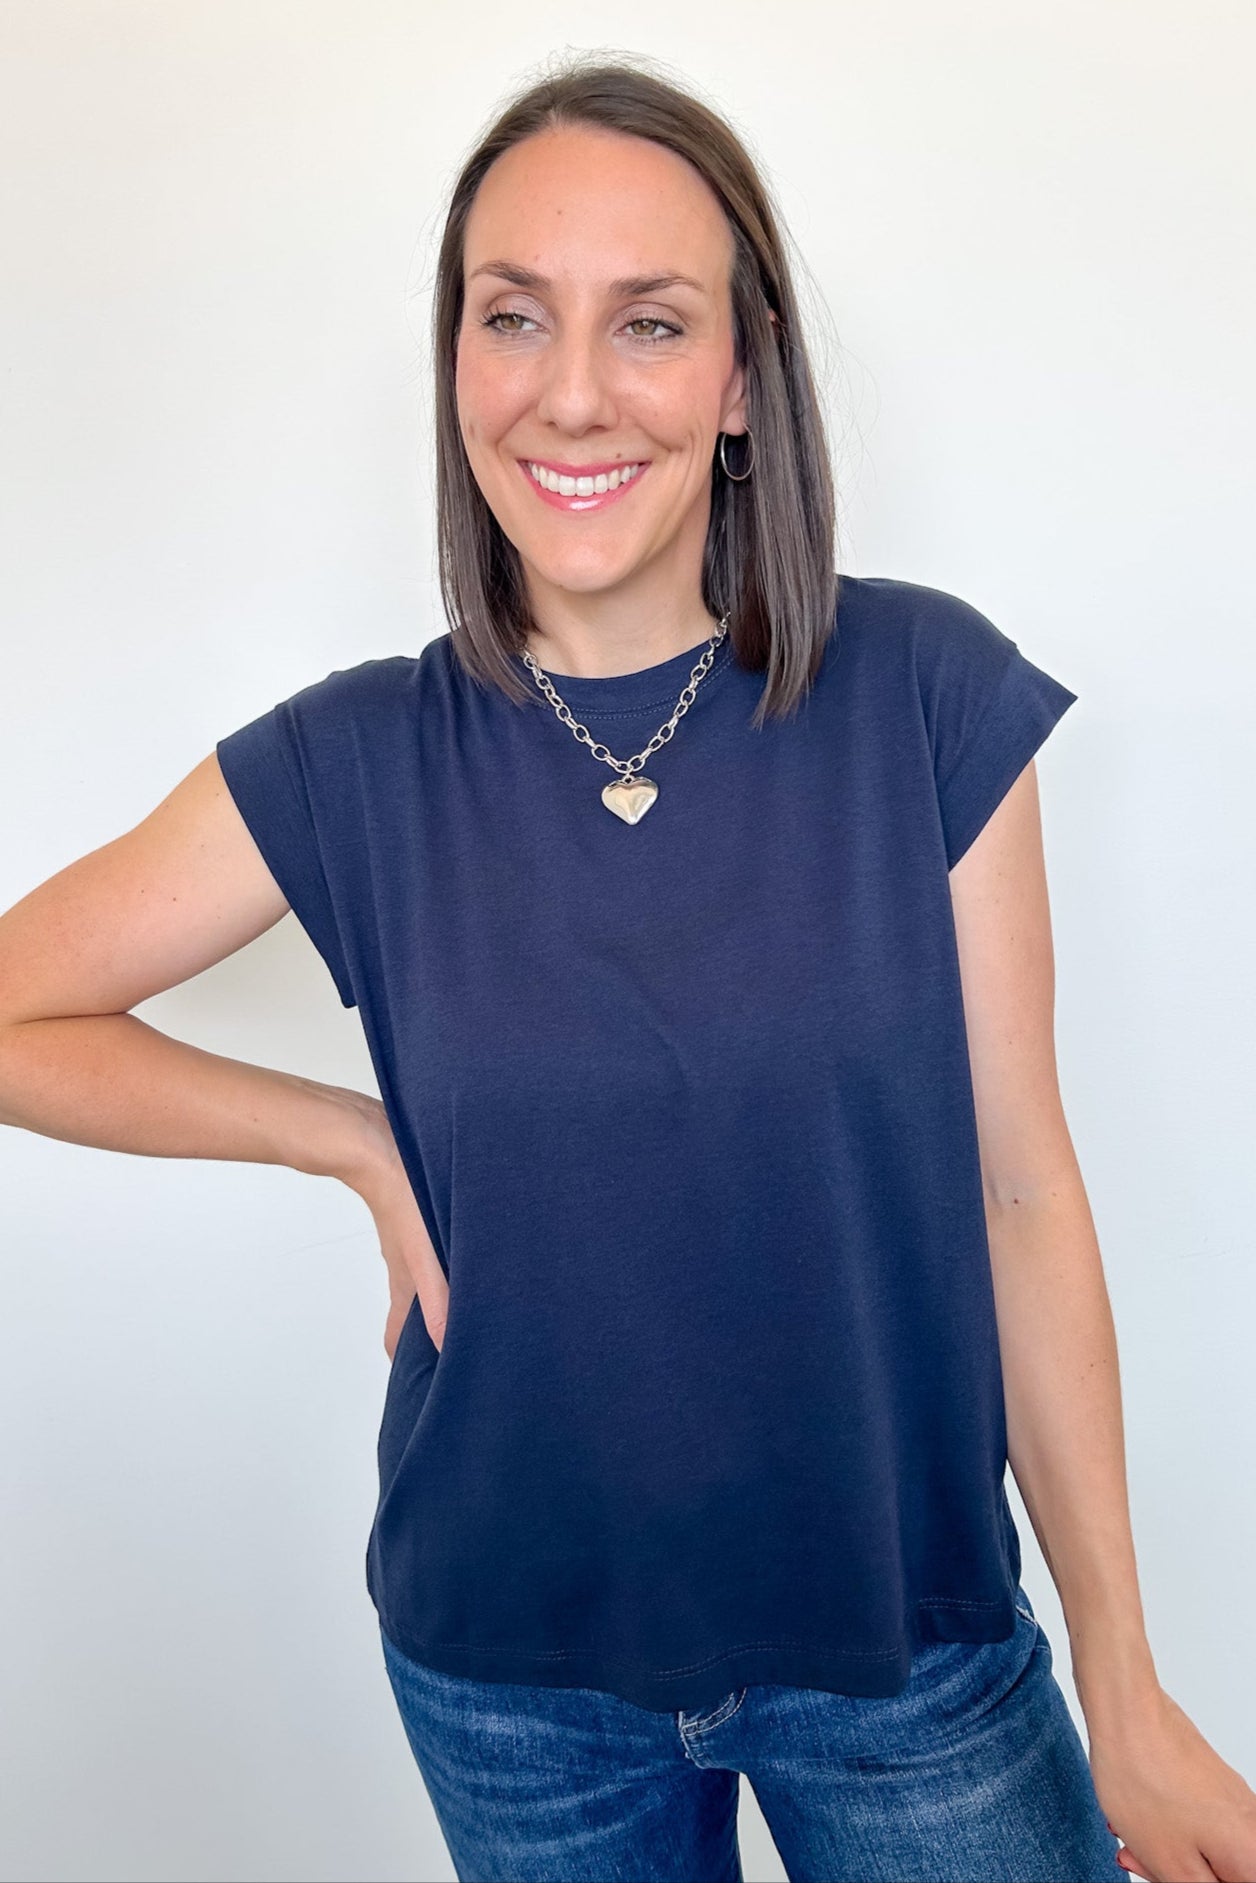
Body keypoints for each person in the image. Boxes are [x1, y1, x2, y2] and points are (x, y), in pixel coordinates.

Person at [2, 48, 1253, 1883]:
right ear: (456, 367)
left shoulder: (925, 697)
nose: (572, 393)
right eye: (515, 317)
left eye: (650, 325)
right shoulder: (356, 761)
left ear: (742, 380)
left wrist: (1127, 1693)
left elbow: (1021, 1190)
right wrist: (345, 1138)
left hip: (907, 1655)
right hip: (515, 1678)